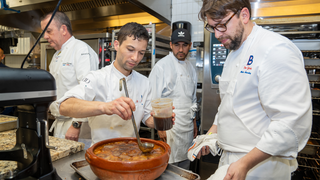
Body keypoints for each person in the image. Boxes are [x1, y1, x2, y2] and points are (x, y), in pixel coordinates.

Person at [196, 0, 312, 180]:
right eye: (212, 28)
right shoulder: (233, 52)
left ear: (244, 15)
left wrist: (246, 163)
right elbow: (229, 103)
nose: (217, 34)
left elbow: (291, 122)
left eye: (221, 26)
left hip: (261, 165)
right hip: (232, 159)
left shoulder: (275, 50)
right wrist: (211, 134)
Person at [57, 22, 174, 145]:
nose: (135, 58)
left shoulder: (144, 82)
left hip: (130, 153)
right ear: (117, 45)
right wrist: (106, 107)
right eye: (130, 49)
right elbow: (64, 106)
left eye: (141, 53)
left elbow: (146, 118)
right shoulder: (97, 78)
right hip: (103, 153)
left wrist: (160, 119)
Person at [40, 11, 99, 142]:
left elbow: (88, 91)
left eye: (48, 31)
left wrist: (76, 124)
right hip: (60, 123)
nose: (45, 36)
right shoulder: (56, 56)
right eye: (44, 32)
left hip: (76, 126)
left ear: (63, 29)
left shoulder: (81, 50)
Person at [148, 28, 198, 170]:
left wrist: (194, 122)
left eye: (184, 45)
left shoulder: (191, 68)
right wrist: (160, 128)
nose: (180, 49)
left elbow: (192, 99)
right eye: (177, 45)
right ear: (171, 45)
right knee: (168, 165)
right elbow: (154, 100)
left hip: (187, 127)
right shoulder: (161, 67)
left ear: (190, 45)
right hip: (169, 127)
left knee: (185, 166)